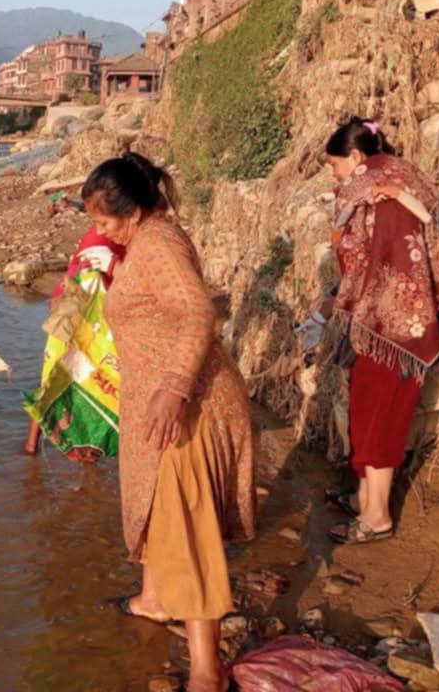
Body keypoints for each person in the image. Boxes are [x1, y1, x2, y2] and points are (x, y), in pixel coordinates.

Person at [82, 153, 256, 692]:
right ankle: (154, 601)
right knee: (162, 508)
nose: (99, 229)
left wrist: (174, 387)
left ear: (133, 211)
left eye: (105, 220)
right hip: (172, 400)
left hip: (191, 408)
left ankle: (208, 671)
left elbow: (198, 311)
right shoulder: (148, 240)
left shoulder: (156, 245)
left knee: (188, 529)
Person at [313, 118, 439, 545]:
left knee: (380, 419)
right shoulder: (402, 174)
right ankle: (364, 498)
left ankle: (376, 517)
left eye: (333, 164)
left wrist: (339, 291)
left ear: (356, 157)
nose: (333, 174)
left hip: (388, 325)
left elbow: (360, 255)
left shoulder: (371, 189)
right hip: (401, 319)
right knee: (371, 411)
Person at [23, 224, 125, 460]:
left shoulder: (111, 229)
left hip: (82, 311)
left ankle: (83, 452)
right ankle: (33, 446)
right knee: (59, 377)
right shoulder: (106, 233)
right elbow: (88, 282)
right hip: (76, 313)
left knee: (79, 379)